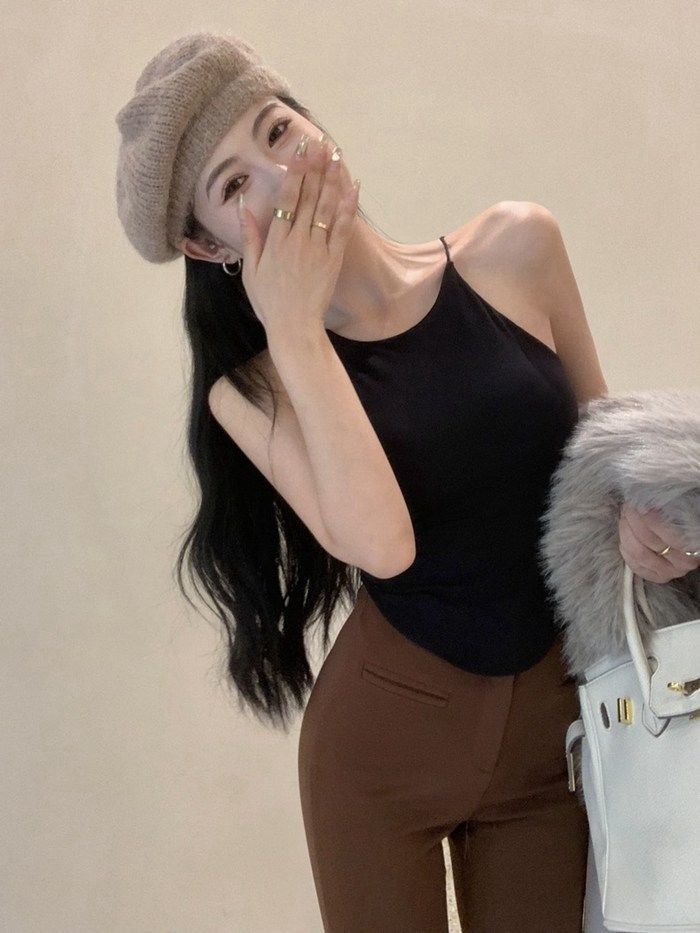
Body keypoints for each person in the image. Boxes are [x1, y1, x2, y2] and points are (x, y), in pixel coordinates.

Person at [114, 31, 696, 932]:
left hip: (550, 742)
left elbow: (599, 460)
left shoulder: (519, 245)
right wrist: (294, 327)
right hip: (378, 759)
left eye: (278, 130)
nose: (281, 176)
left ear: (314, 124)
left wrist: (642, 519)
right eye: (233, 185)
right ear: (205, 244)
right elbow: (383, 544)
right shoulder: (255, 389)